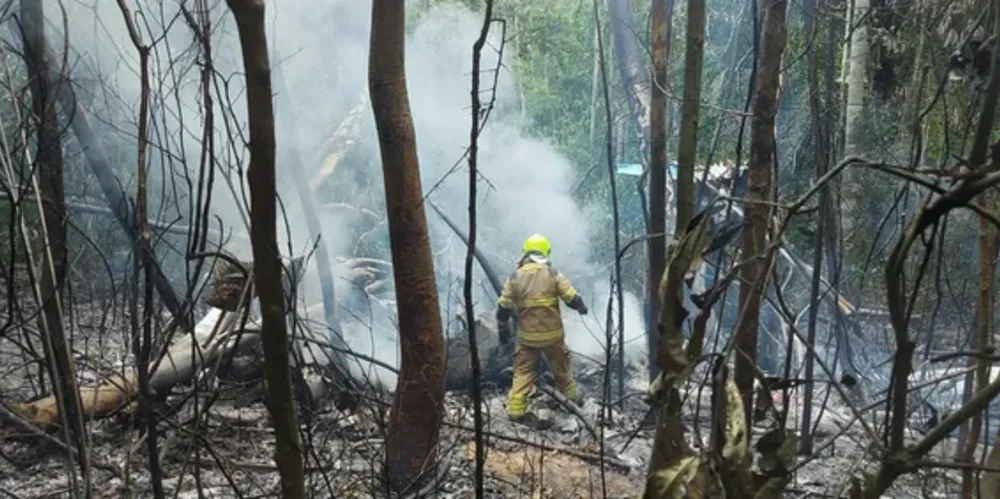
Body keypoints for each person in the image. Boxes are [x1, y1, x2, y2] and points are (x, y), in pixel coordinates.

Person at [496, 234, 588, 422]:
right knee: (562, 367)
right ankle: (571, 399)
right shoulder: (552, 273)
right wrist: (581, 307)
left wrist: (503, 330)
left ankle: (515, 409)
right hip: (553, 336)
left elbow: (503, 308)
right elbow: (571, 298)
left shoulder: (515, 277)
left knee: (522, 372)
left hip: (527, 338)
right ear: (545, 252)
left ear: (526, 252)